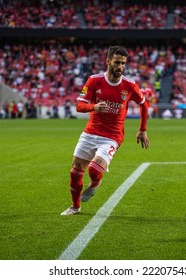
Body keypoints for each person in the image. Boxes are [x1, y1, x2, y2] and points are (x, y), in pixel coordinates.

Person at [61, 45, 150, 216]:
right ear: (108, 61)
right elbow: (79, 106)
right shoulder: (94, 81)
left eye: (123, 63)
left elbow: (143, 104)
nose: (120, 67)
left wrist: (142, 130)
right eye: (117, 62)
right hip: (90, 133)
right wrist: (94, 106)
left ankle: (94, 184)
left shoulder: (129, 85)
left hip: (112, 136)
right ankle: (75, 206)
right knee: (75, 172)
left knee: (94, 170)